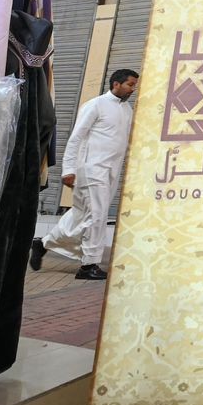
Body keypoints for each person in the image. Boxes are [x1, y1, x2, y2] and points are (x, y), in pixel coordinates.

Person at [30, 69, 139, 280]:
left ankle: (43, 243)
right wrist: (68, 169)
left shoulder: (127, 110)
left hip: (111, 171)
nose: (133, 89)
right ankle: (89, 265)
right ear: (116, 84)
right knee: (97, 215)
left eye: (134, 85)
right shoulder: (95, 105)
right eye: (130, 84)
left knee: (81, 215)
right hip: (91, 169)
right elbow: (76, 138)